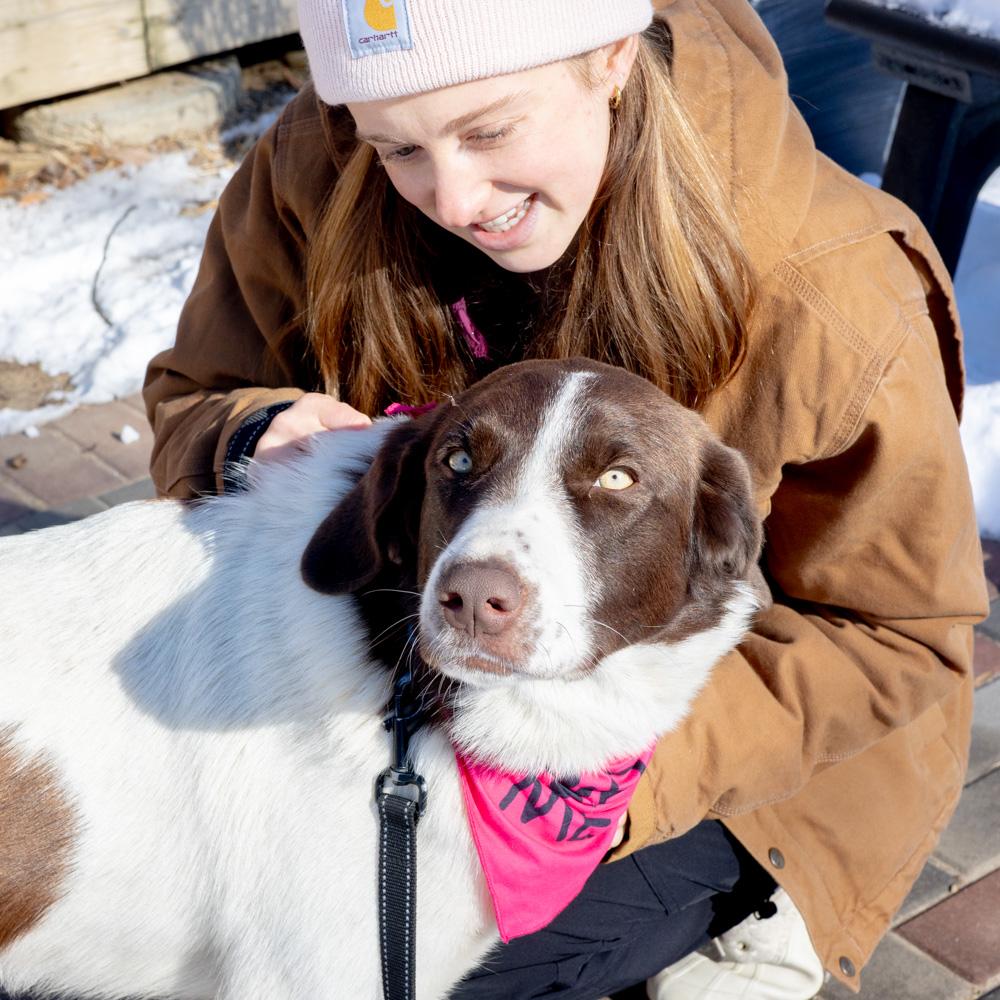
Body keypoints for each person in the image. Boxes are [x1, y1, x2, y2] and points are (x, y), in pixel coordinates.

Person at [143, 0, 988, 997]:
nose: (451, 196)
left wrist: (603, 783)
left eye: (491, 130)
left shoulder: (826, 281)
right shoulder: (324, 162)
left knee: (406, 966)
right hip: (393, 677)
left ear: (611, 57)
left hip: (708, 752)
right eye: (399, 150)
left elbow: (893, 632)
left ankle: (765, 919)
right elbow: (195, 395)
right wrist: (248, 432)